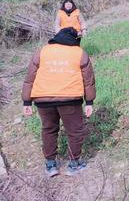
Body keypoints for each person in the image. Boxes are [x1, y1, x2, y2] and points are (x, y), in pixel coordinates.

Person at [22, 28, 96, 177]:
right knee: (74, 131)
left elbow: (30, 77)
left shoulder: (42, 51)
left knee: (48, 129)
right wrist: (89, 102)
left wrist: (26, 102)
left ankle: (50, 166)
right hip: (70, 98)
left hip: (43, 99)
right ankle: (74, 164)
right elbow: (88, 81)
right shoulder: (79, 53)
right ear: (75, 39)